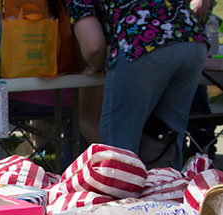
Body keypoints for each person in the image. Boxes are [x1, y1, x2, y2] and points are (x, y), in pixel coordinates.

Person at [68, 0, 210, 170]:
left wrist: (95, 65)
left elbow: (94, 47)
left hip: (141, 42)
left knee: (120, 154)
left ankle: (123, 193)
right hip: (191, 37)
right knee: (166, 144)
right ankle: (168, 192)